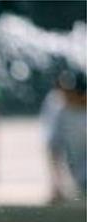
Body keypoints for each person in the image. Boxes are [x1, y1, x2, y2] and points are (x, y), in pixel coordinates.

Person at [41, 68, 87, 201]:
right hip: (78, 173)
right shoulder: (57, 104)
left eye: (69, 93)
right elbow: (53, 146)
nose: (65, 96)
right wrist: (56, 185)